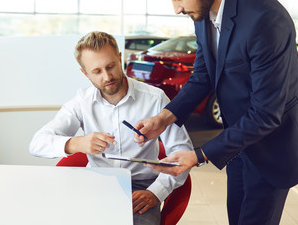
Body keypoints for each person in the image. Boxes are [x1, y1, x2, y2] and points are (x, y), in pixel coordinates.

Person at [133, 0, 298, 224]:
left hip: (273, 144)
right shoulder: (203, 12)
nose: (177, 9)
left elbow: (266, 114)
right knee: (237, 214)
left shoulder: (266, 18)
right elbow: (203, 76)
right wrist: (163, 119)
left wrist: (198, 156)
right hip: (236, 142)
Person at [29, 31, 193, 225]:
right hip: (96, 185)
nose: (107, 77)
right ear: (85, 73)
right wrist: (76, 142)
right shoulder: (81, 102)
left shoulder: (155, 98)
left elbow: (183, 153)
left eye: (110, 66)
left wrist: (155, 192)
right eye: (97, 71)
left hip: (141, 186)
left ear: (120, 59)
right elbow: (37, 144)